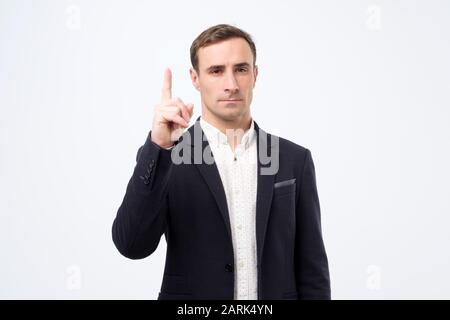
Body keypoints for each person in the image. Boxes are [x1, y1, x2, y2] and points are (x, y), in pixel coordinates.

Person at [112, 24, 330, 300]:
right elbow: (131, 245)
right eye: (216, 71)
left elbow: (312, 270)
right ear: (195, 78)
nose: (231, 84)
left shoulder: (294, 159)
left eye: (241, 69)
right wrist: (159, 147)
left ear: (255, 74)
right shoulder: (168, 156)